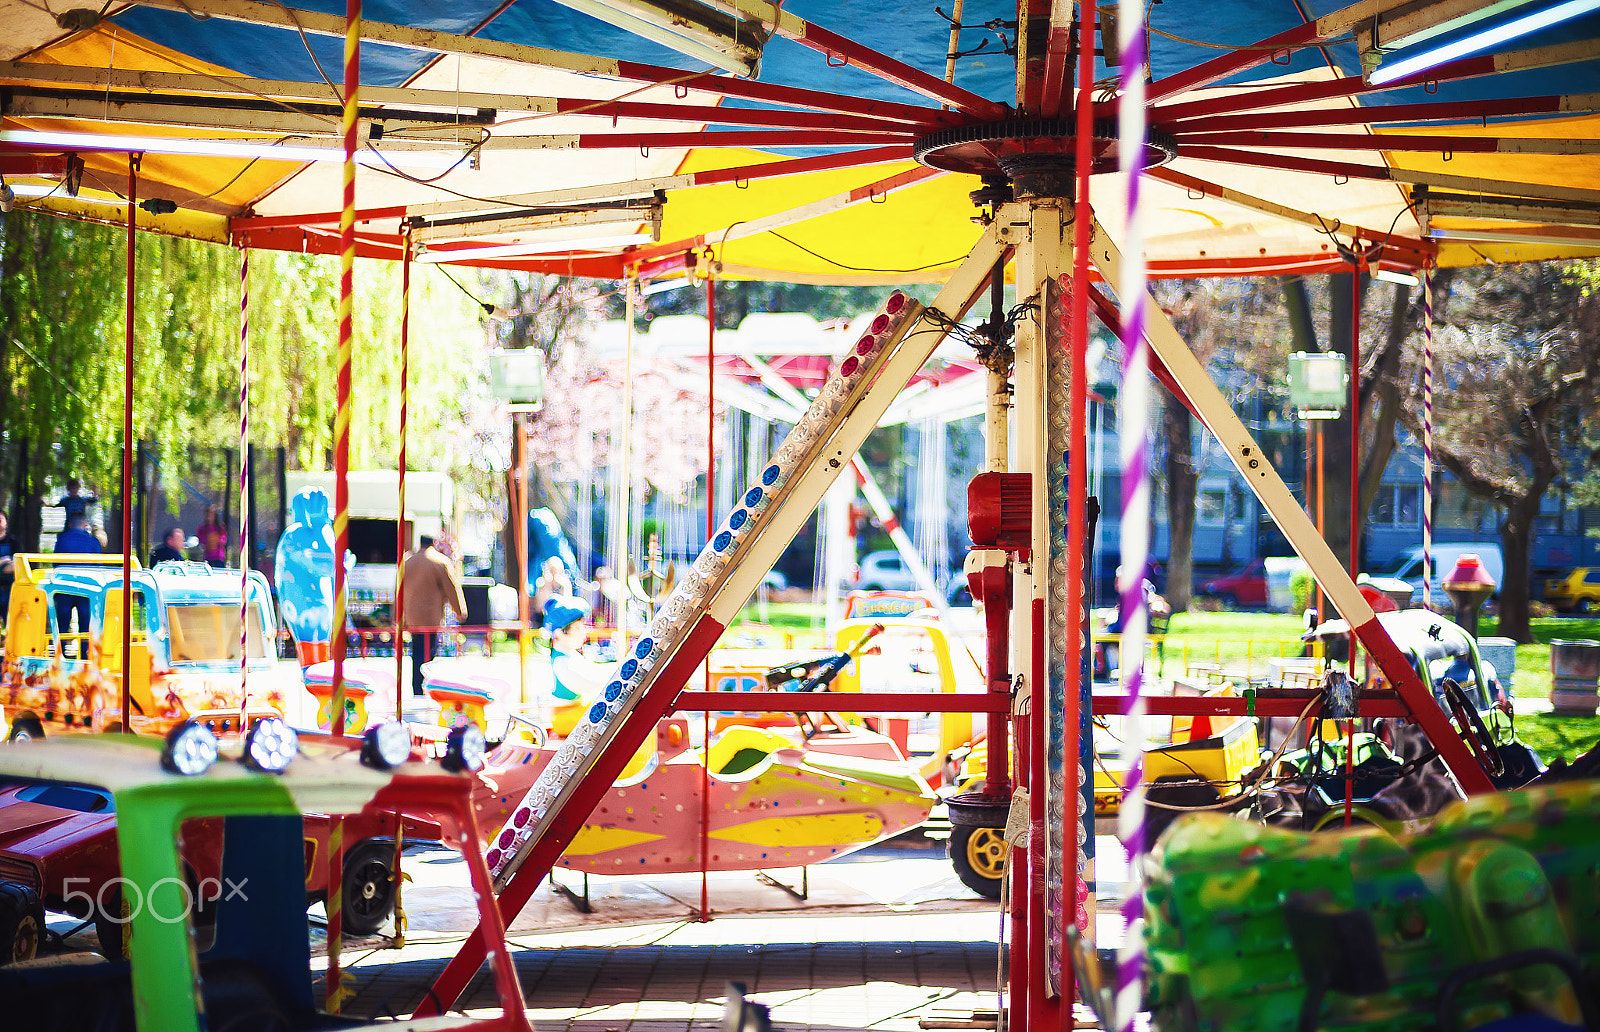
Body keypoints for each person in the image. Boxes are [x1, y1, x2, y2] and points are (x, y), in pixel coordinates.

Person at [400, 535, 466, 697]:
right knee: (429, 655)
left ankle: (417, 690)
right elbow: (452, 588)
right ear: (434, 543)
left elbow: (398, 590)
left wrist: (398, 617)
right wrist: (460, 611)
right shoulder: (440, 561)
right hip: (431, 620)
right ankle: (427, 689)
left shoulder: (408, 562)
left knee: (416, 655)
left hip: (412, 620)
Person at [544, 594, 615, 736]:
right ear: (559, 633)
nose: (584, 632)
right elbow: (587, 684)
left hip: (572, 713)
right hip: (565, 718)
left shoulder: (571, 656)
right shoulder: (562, 662)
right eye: (577, 628)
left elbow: (593, 671)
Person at [53, 514, 100, 654]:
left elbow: (56, 563)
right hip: (87, 587)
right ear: (85, 524)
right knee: (85, 624)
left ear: (70, 524)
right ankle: (84, 655)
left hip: (65, 587)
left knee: (63, 623)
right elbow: (99, 565)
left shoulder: (62, 540)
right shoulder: (92, 541)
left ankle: (61, 654)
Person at [0, 511, 17, 625]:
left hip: (9, 589)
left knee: (10, 623)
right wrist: (4, 561)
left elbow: (16, 565)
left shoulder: (13, 541)